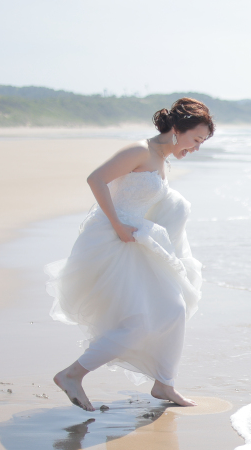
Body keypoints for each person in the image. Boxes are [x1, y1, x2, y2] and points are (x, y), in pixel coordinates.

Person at [48, 98, 214, 411]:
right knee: (139, 321)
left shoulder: (161, 160)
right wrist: (118, 225)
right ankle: (72, 375)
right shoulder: (140, 150)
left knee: (174, 309)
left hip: (138, 238)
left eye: (202, 142)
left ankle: (164, 383)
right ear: (177, 130)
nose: (196, 148)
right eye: (196, 139)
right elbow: (96, 179)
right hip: (114, 239)